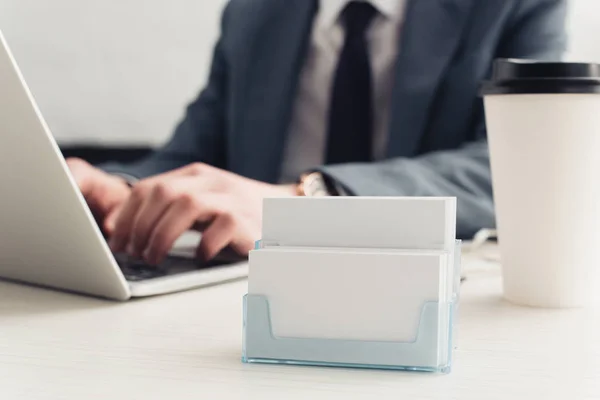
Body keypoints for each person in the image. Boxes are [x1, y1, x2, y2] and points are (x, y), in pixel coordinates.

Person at [67, 0, 567, 265]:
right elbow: (192, 153)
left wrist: (310, 199)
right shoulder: (252, 13)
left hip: (419, 288)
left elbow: (523, 164)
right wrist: (124, 191)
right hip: (243, 288)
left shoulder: (513, 5)